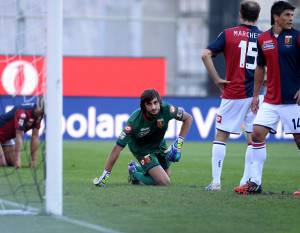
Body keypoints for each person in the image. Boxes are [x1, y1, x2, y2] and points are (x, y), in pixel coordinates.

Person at [234, 1, 300, 195]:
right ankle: (255, 182)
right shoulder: (263, 39)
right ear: (276, 17)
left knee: (299, 140)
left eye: (291, 15)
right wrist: (255, 96)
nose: (291, 19)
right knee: (256, 133)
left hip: (293, 101)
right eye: (287, 15)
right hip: (270, 100)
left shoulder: (296, 37)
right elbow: (260, 69)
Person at [201, 1, 261, 191]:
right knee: (253, 138)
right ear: (258, 16)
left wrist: (218, 79)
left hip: (233, 93)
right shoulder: (264, 38)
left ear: (240, 13)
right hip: (255, 95)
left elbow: (205, 55)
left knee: (221, 135)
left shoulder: (228, 34)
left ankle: (216, 182)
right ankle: (246, 181)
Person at [93, 89, 193, 186]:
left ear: (159, 102)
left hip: (159, 144)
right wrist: (105, 176)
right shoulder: (134, 122)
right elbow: (117, 149)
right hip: (142, 150)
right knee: (164, 182)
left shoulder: (167, 109)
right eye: (149, 104)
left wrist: (178, 145)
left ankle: (137, 169)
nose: (153, 107)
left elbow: (188, 118)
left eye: (155, 102)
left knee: (167, 175)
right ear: (143, 106)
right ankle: (134, 174)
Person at [0, 101, 44, 168]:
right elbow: (19, 135)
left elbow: (35, 136)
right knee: (2, 163)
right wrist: (18, 160)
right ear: (40, 106)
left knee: (12, 162)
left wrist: (33, 160)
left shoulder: (39, 114)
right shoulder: (22, 112)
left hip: (6, 139)